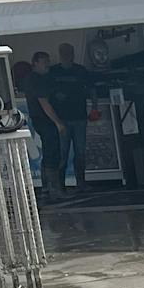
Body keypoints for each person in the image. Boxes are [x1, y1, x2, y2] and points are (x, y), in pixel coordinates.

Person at [48, 42, 90, 189]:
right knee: (62, 153)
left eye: (69, 52)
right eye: (64, 52)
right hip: (62, 119)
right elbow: (46, 94)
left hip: (80, 117)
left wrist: (95, 107)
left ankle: (81, 183)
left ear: (73, 53)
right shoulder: (52, 72)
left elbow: (91, 89)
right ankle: (60, 185)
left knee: (80, 152)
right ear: (60, 54)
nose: (67, 55)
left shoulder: (81, 70)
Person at [23, 50, 64, 196]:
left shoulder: (41, 78)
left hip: (41, 120)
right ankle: (53, 188)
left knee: (49, 151)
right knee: (52, 152)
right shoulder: (35, 79)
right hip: (44, 120)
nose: (48, 64)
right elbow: (44, 103)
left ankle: (47, 186)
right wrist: (58, 122)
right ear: (35, 63)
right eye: (44, 61)